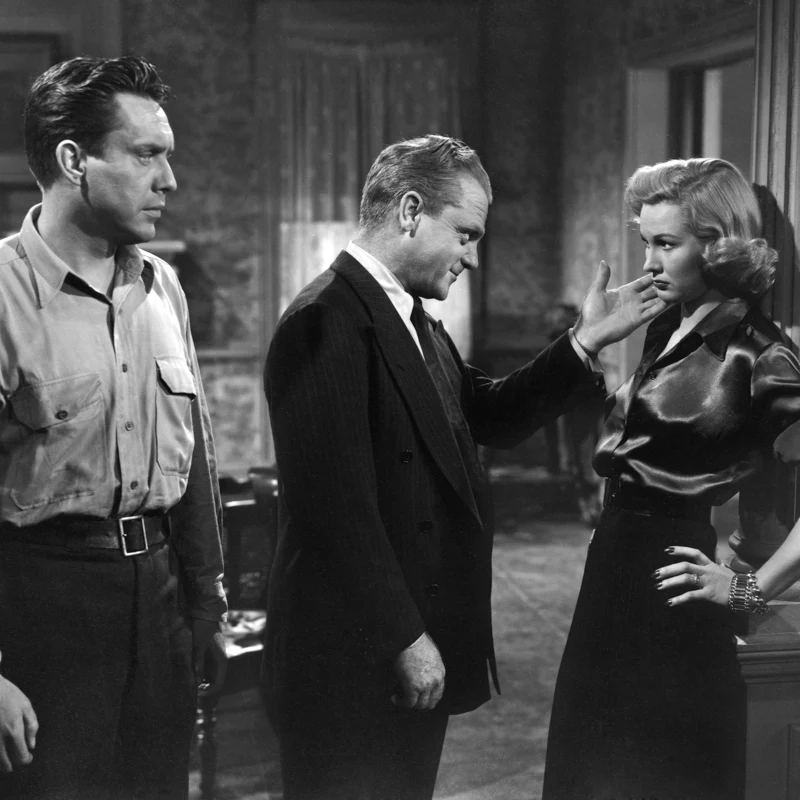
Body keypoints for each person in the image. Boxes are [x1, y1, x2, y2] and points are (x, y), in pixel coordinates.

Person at [263, 134, 666, 800]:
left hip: (401, 648)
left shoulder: (410, 316)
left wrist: (584, 341)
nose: (473, 257)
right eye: (466, 235)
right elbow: (334, 511)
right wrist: (405, 638)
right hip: (351, 658)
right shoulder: (325, 319)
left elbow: (491, 413)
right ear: (410, 211)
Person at [0, 55, 227, 799]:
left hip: (160, 602)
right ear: (75, 161)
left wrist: (206, 601)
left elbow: (194, 456)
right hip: (42, 610)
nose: (169, 180)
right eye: (146, 154)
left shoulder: (163, 288)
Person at [542, 157, 798, 800]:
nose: (649, 263)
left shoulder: (761, 355)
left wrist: (750, 589)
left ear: (717, 246)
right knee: (588, 766)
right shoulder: (664, 323)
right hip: (612, 564)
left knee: (656, 775)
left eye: (665, 244)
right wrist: (590, 340)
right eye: (645, 242)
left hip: (673, 580)